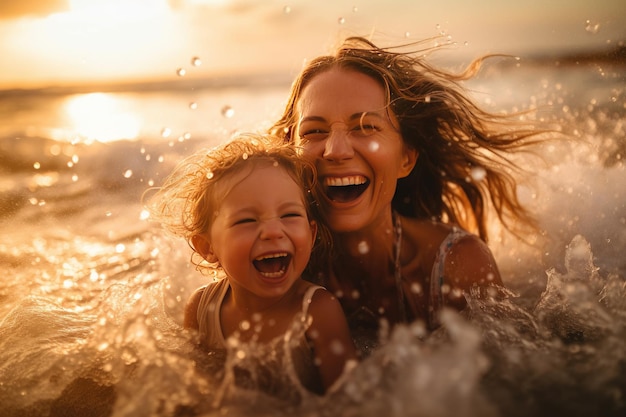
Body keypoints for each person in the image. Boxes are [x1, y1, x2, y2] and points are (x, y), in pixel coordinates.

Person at [269, 36, 545, 339]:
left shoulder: (455, 266)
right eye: (315, 131)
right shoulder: (274, 263)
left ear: (406, 158)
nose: (335, 150)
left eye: (365, 127)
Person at [148, 133, 357, 400]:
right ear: (207, 247)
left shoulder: (317, 312)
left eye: (290, 215)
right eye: (246, 220)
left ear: (311, 233)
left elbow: (352, 404)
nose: (272, 231)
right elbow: (194, 396)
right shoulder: (202, 309)